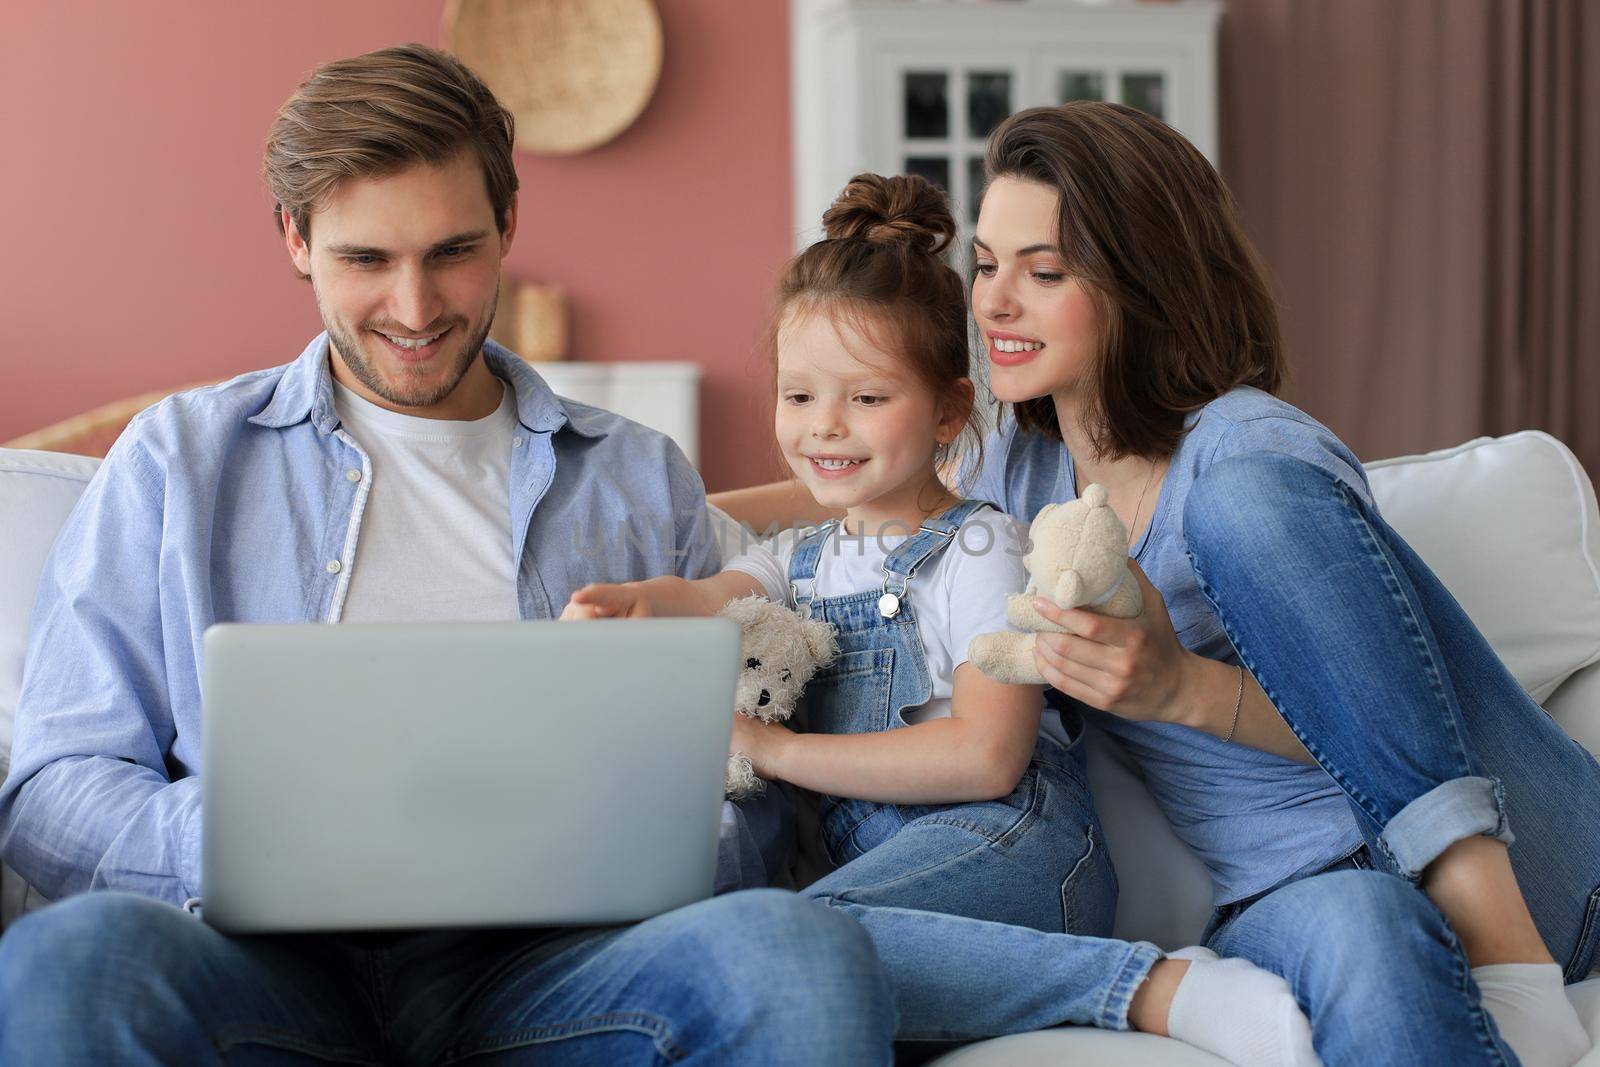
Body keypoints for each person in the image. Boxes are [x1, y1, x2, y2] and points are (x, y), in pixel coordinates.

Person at [0, 44, 895, 1065]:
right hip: (254, 965)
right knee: (75, 959)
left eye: (452, 252)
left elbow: (754, 784)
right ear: (296, 239)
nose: (417, 308)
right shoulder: (180, 460)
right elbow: (55, 788)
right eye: (366, 260)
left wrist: (643, 841)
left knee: (800, 956)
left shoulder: (639, 478)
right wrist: (255, 834)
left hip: (557, 972)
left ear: (509, 225)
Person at [713, 104, 1600, 1066]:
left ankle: (1505, 948)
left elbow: (1401, 700)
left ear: (1142, 284)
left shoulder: (1252, 448)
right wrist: (675, 514)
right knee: (1367, 937)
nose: (996, 304)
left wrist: (1181, 688)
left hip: (1522, 853)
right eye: (987, 264)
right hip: (1302, 889)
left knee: (1245, 502)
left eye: (1043, 272)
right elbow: (854, 477)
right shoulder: (1020, 463)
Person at [565, 173, 1319, 1065]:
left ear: (951, 412)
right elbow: (705, 598)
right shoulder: (796, 555)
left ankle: (1152, 986)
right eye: (799, 395)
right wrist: (632, 603)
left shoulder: (978, 546)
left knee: (785, 944)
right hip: (903, 881)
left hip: (1016, 848)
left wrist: (770, 749)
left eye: (867, 398)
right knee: (758, 959)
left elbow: (987, 754)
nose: (824, 427)